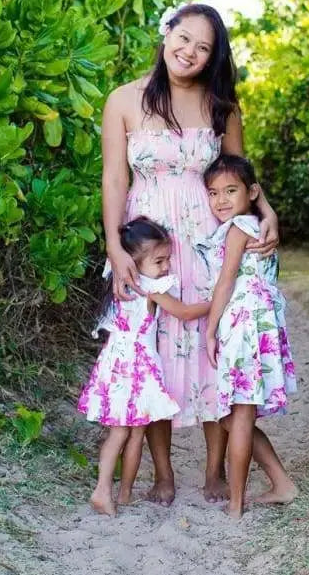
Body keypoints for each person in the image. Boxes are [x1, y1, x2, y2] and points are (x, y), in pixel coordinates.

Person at [101, 2, 279, 505]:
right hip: (149, 243)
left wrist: (269, 214)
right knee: (152, 352)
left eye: (203, 48)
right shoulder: (123, 101)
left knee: (213, 347)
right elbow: (114, 178)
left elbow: (240, 173)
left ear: (211, 57)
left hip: (209, 244)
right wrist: (115, 247)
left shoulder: (221, 104)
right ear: (167, 35)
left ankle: (215, 470)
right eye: (185, 39)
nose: (190, 53)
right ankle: (162, 474)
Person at [77, 217, 209, 517]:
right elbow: (185, 312)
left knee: (123, 434)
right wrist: (217, 302)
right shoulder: (150, 287)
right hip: (137, 367)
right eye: (160, 260)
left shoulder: (117, 277)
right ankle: (112, 492)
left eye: (167, 260)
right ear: (135, 260)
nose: (165, 267)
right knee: (129, 434)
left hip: (114, 363)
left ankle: (114, 492)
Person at [200, 154, 298, 518]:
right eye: (213, 193)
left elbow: (226, 281)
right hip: (260, 325)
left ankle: (236, 503)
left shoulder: (240, 228)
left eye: (230, 190)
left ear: (252, 191)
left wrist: (210, 331)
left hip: (242, 325)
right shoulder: (259, 225)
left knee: (238, 416)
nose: (221, 200)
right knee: (236, 416)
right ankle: (281, 483)